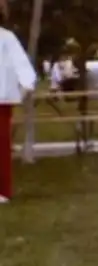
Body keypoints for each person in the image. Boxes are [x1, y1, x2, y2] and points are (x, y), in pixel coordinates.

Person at [0, 9, 36, 203]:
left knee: (1, 144)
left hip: (2, 99)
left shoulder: (7, 38)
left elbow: (21, 64)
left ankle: (3, 190)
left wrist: (25, 86)